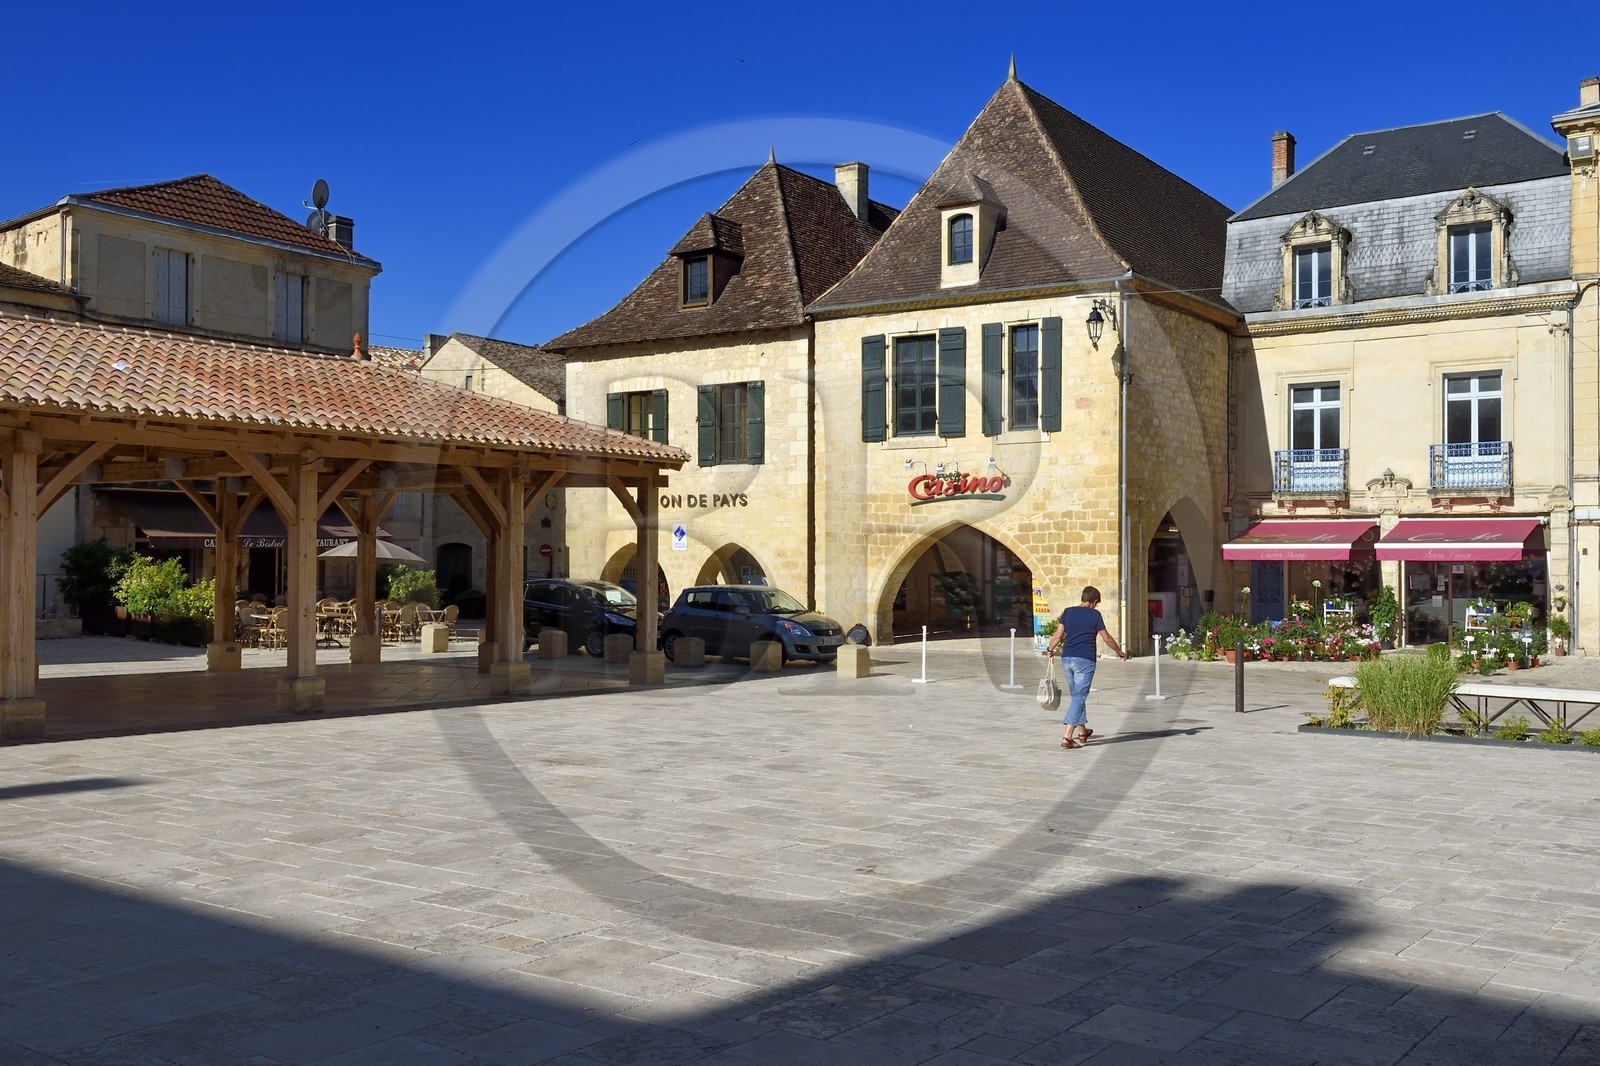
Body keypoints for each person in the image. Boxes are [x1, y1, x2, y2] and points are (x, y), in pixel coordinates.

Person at [1043, 585, 1126, 748]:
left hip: (1067, 659)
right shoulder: (1095, 615)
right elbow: (1107, 638)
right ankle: (1067, 736)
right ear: (1094, 601)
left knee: (1076, 696)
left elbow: (1058, 635)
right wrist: (1119, 652)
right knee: (1079, 697)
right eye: (1096, 603)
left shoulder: (1068, 612)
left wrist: (1049, 650)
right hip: (1085, 660)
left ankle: (1082, 731)